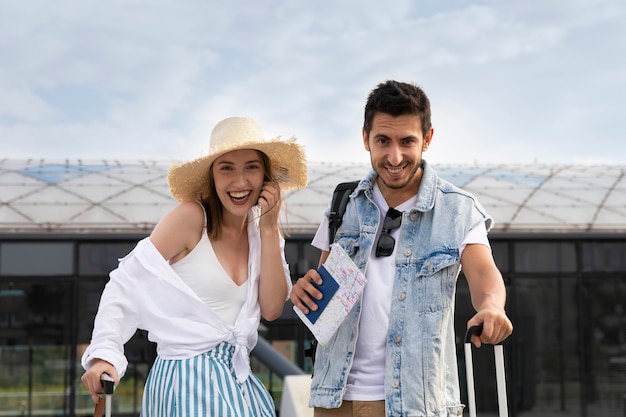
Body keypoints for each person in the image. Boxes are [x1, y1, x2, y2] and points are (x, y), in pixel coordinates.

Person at [290, 80, 513, 417]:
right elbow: (325, 293)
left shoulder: (458, 210)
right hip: (334, 400)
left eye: (407, 141)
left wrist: (493, 307)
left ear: (427, 139)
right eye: (383, 141)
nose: (395, 157)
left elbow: (484, 273)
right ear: (365, 138)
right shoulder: (342, 206)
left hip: (415, 404)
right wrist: (304, 292)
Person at [81, 116, 307, 416]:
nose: (240, 182)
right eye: (227, 168)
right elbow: (125, 284)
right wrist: (104, 355)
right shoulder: (191, 218)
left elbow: (272, 308)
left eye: (251, 167)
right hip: (185, 380)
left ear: (265, 176)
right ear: (212, 176)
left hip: (236, 381)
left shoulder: (263, 232)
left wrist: (268, 228)